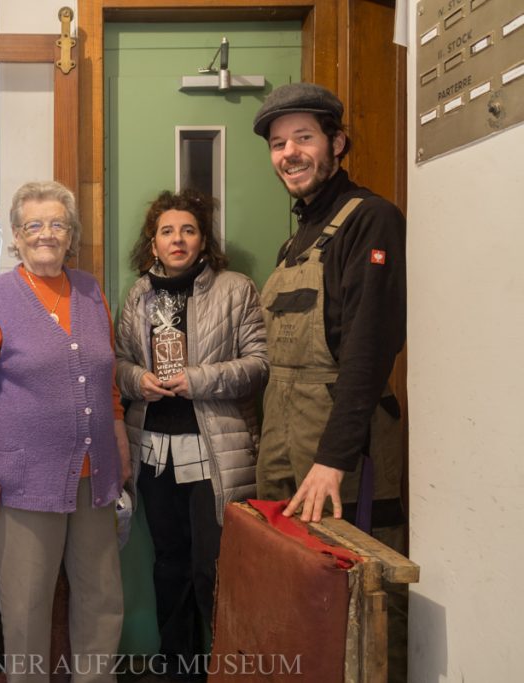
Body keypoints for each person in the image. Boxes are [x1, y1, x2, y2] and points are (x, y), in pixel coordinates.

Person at [252, 82, 408, 680]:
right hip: (285, 440)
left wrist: (334, 459)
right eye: (278, 143)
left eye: (304, 138)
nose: (289, 153)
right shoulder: (296, 240)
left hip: (342, 450)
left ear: (337, 143)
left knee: (360, 588)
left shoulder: (370, 220)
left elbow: (370, 352)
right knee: (300, 586)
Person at [0, 181, 130, 683]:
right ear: (16, 235)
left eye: (57, 224)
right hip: (24, 480)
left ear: (71, 234)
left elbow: (106, 380)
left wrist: (119, 445)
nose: (46, 234)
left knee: (102, 597)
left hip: (96, 478)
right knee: (27, 606)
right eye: (35, 225)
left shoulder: (92, 291)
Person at [115, 189, 268, 681]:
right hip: (155, 452)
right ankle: (178, 669)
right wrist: (137, 379)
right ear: (152, 242)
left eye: (188, 230)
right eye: (166, 231)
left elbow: (259, 365)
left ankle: (225, 667)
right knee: (169, 566)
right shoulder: (138, 295)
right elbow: (115, 364)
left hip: (215, 452)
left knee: (212, 568)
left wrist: (198, 379)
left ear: (203, 240)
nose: (177, 239)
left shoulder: (235, 289)